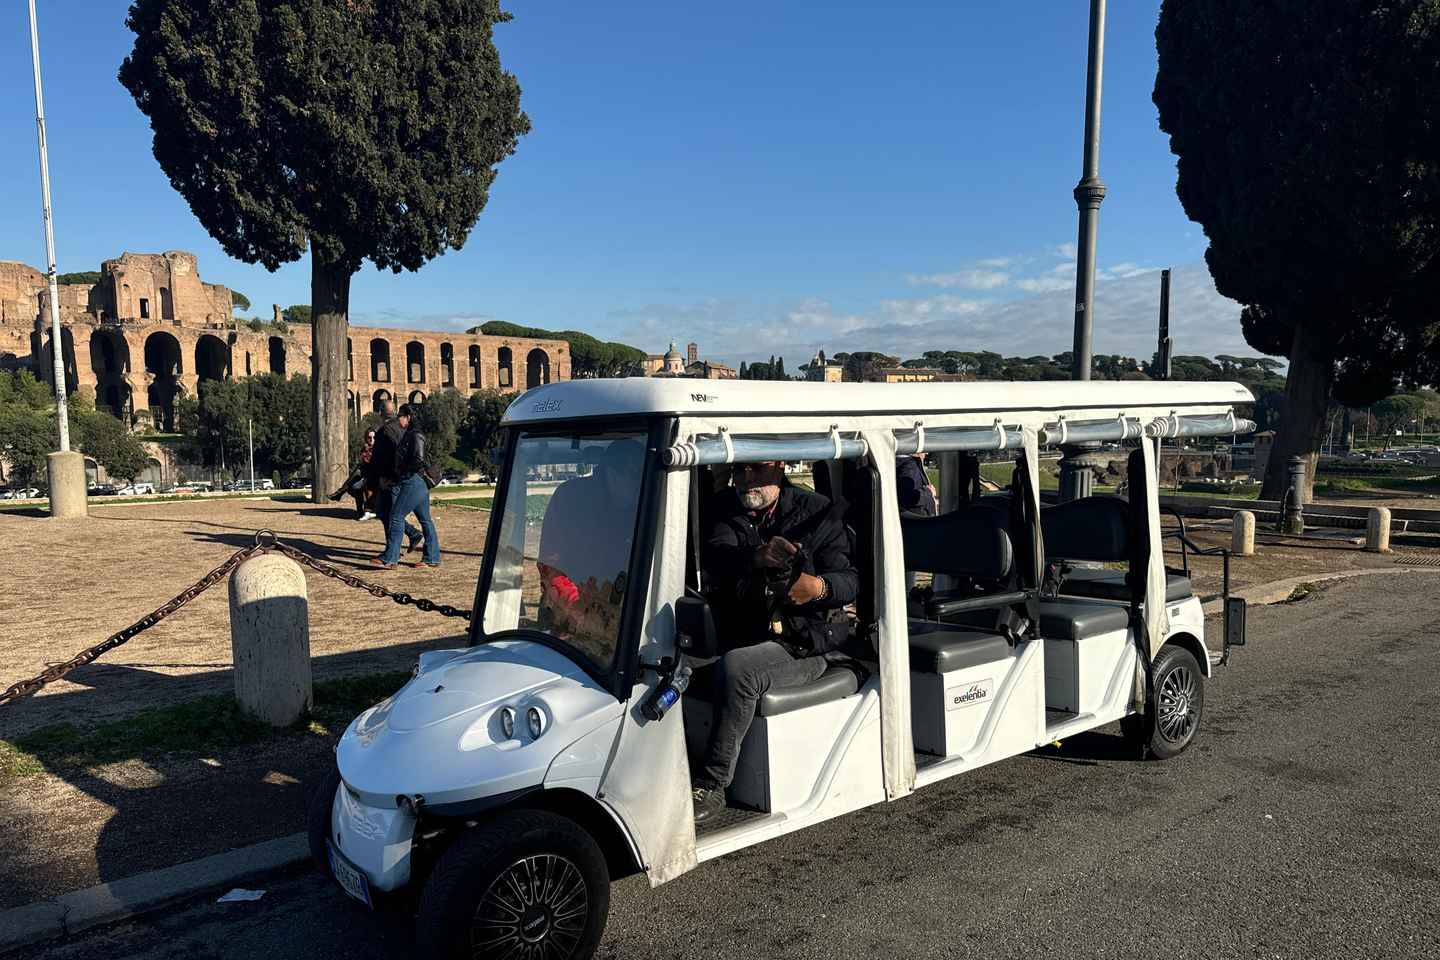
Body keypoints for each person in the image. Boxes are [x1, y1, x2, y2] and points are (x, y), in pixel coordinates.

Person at [691, 460, 858, 823]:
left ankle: (713, 783)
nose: (746, 480)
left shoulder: (817, 511)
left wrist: (817, 588)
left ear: (779, 468)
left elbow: (848, 579)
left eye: (756, 470)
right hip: (744, 629)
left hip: (806, 640)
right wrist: (756, 557)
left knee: (739, 669)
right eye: (739, 470)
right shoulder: (723, 508)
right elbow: (718, 557)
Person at [375, 404, 441, 569]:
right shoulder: (411, 434)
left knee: (396, 516)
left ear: (408, 417)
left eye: (401, 416)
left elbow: (417, 459)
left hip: (412, 480)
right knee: (425, 519)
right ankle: (432, 557)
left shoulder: (415, 435)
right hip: (416, 481)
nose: (399, 420)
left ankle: (391, 558)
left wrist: (399, 474)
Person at [369, 399, 423, 566]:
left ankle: (392, 554)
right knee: (387, 513)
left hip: (389, 478)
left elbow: (381, 458)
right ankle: (409, 537)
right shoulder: (402, 429)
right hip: (398, 476)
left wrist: (381, 477)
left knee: (391, 515)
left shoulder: (385, 430)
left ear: (380, 413)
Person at [329, 429, 378, 520]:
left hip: (375, 477)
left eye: (374, 437)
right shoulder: (364, 449)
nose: (371, 439)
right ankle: (360, 512)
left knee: (358, 471)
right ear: (366, 438)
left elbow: (372, 463)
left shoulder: (378, 449)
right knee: (355, 486)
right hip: (365, 476)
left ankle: (340, 492)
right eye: (369, 437)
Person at [896, 453, 938, 517]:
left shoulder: (903, 463)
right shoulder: (909, 466)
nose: (926, 453)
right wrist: (929, 492)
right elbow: (907, 498)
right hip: (918, 520)